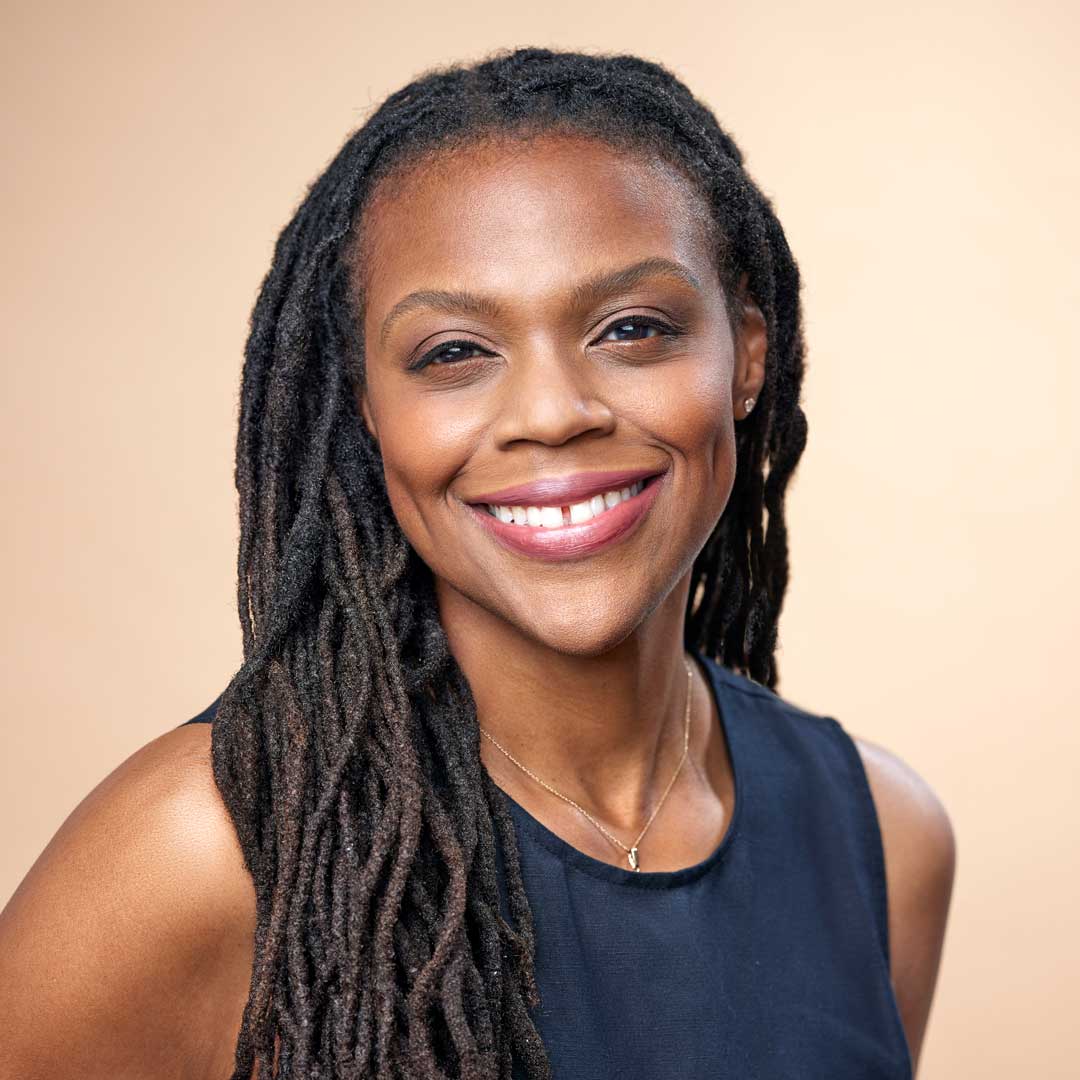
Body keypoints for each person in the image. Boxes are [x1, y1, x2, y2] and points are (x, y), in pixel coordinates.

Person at [0, 46, 955, 1080]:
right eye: (453, 352)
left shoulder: (885, 842)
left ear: (747, 356)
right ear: (366, 410)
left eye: (633, 329)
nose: (551, 413)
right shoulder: (199, 854)